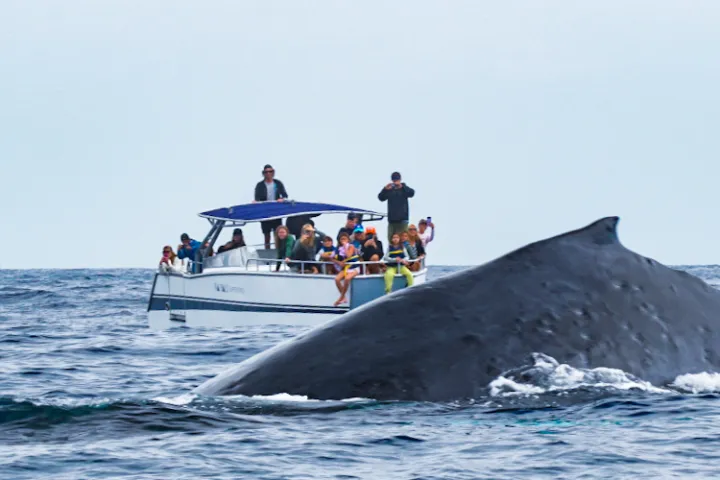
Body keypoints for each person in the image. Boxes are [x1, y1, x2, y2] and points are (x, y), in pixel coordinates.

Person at [254, 164, 289, 249]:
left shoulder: (278, 183)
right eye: (266, 172)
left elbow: (285, 195)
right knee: (266, 234)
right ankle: (267, 252)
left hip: (276, 212)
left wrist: (281, 199)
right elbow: (257, 198)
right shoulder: (260, 185)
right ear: (263, 173)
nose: (268, 174)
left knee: (277, 234)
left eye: (270, 172)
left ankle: (279, 252)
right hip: (265, 212)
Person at [378, 171, 415, 243]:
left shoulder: (404, 189)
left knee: (403, 240)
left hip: (403, 220)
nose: (395, 182)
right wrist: (385, 189)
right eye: (394, 180)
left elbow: (412, 193)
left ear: (400, 179)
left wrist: (403, 186)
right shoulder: (389, 190)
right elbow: (381, 198)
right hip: (392, 220)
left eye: (397, 180)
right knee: (391, 240)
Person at [333, 232, 361, 306]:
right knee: (337, 279)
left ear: (348, 240)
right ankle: (344, 297)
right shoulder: (338, 248)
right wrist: (338, 262)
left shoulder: (351, 246)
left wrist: (345, 246)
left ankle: (341, 297)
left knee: (347, 279)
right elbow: (332, 258)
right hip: (346, 268)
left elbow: (348, 255)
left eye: (345, 239)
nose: (343, 240)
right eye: (341, 239)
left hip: (354, 267)